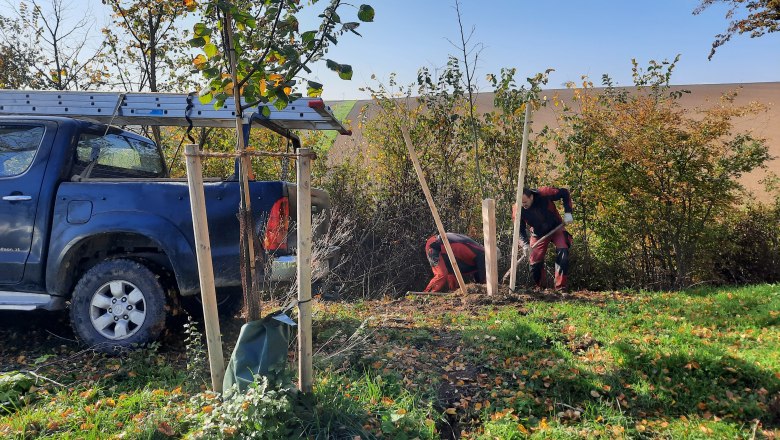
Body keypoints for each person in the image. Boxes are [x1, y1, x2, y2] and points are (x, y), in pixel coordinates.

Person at [514, 186, 574, 291]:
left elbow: (564, 192)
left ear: (531, 197)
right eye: (520, 203)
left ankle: (561, 288)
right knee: (534, 261)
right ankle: (541, 288)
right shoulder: (517, 209)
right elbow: (519, 229)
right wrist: (524, 245)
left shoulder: (544, 193)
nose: (523, 205)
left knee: (563, 250)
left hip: (556, 228)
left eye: (525, 202)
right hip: (538, 233)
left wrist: (568, 212)